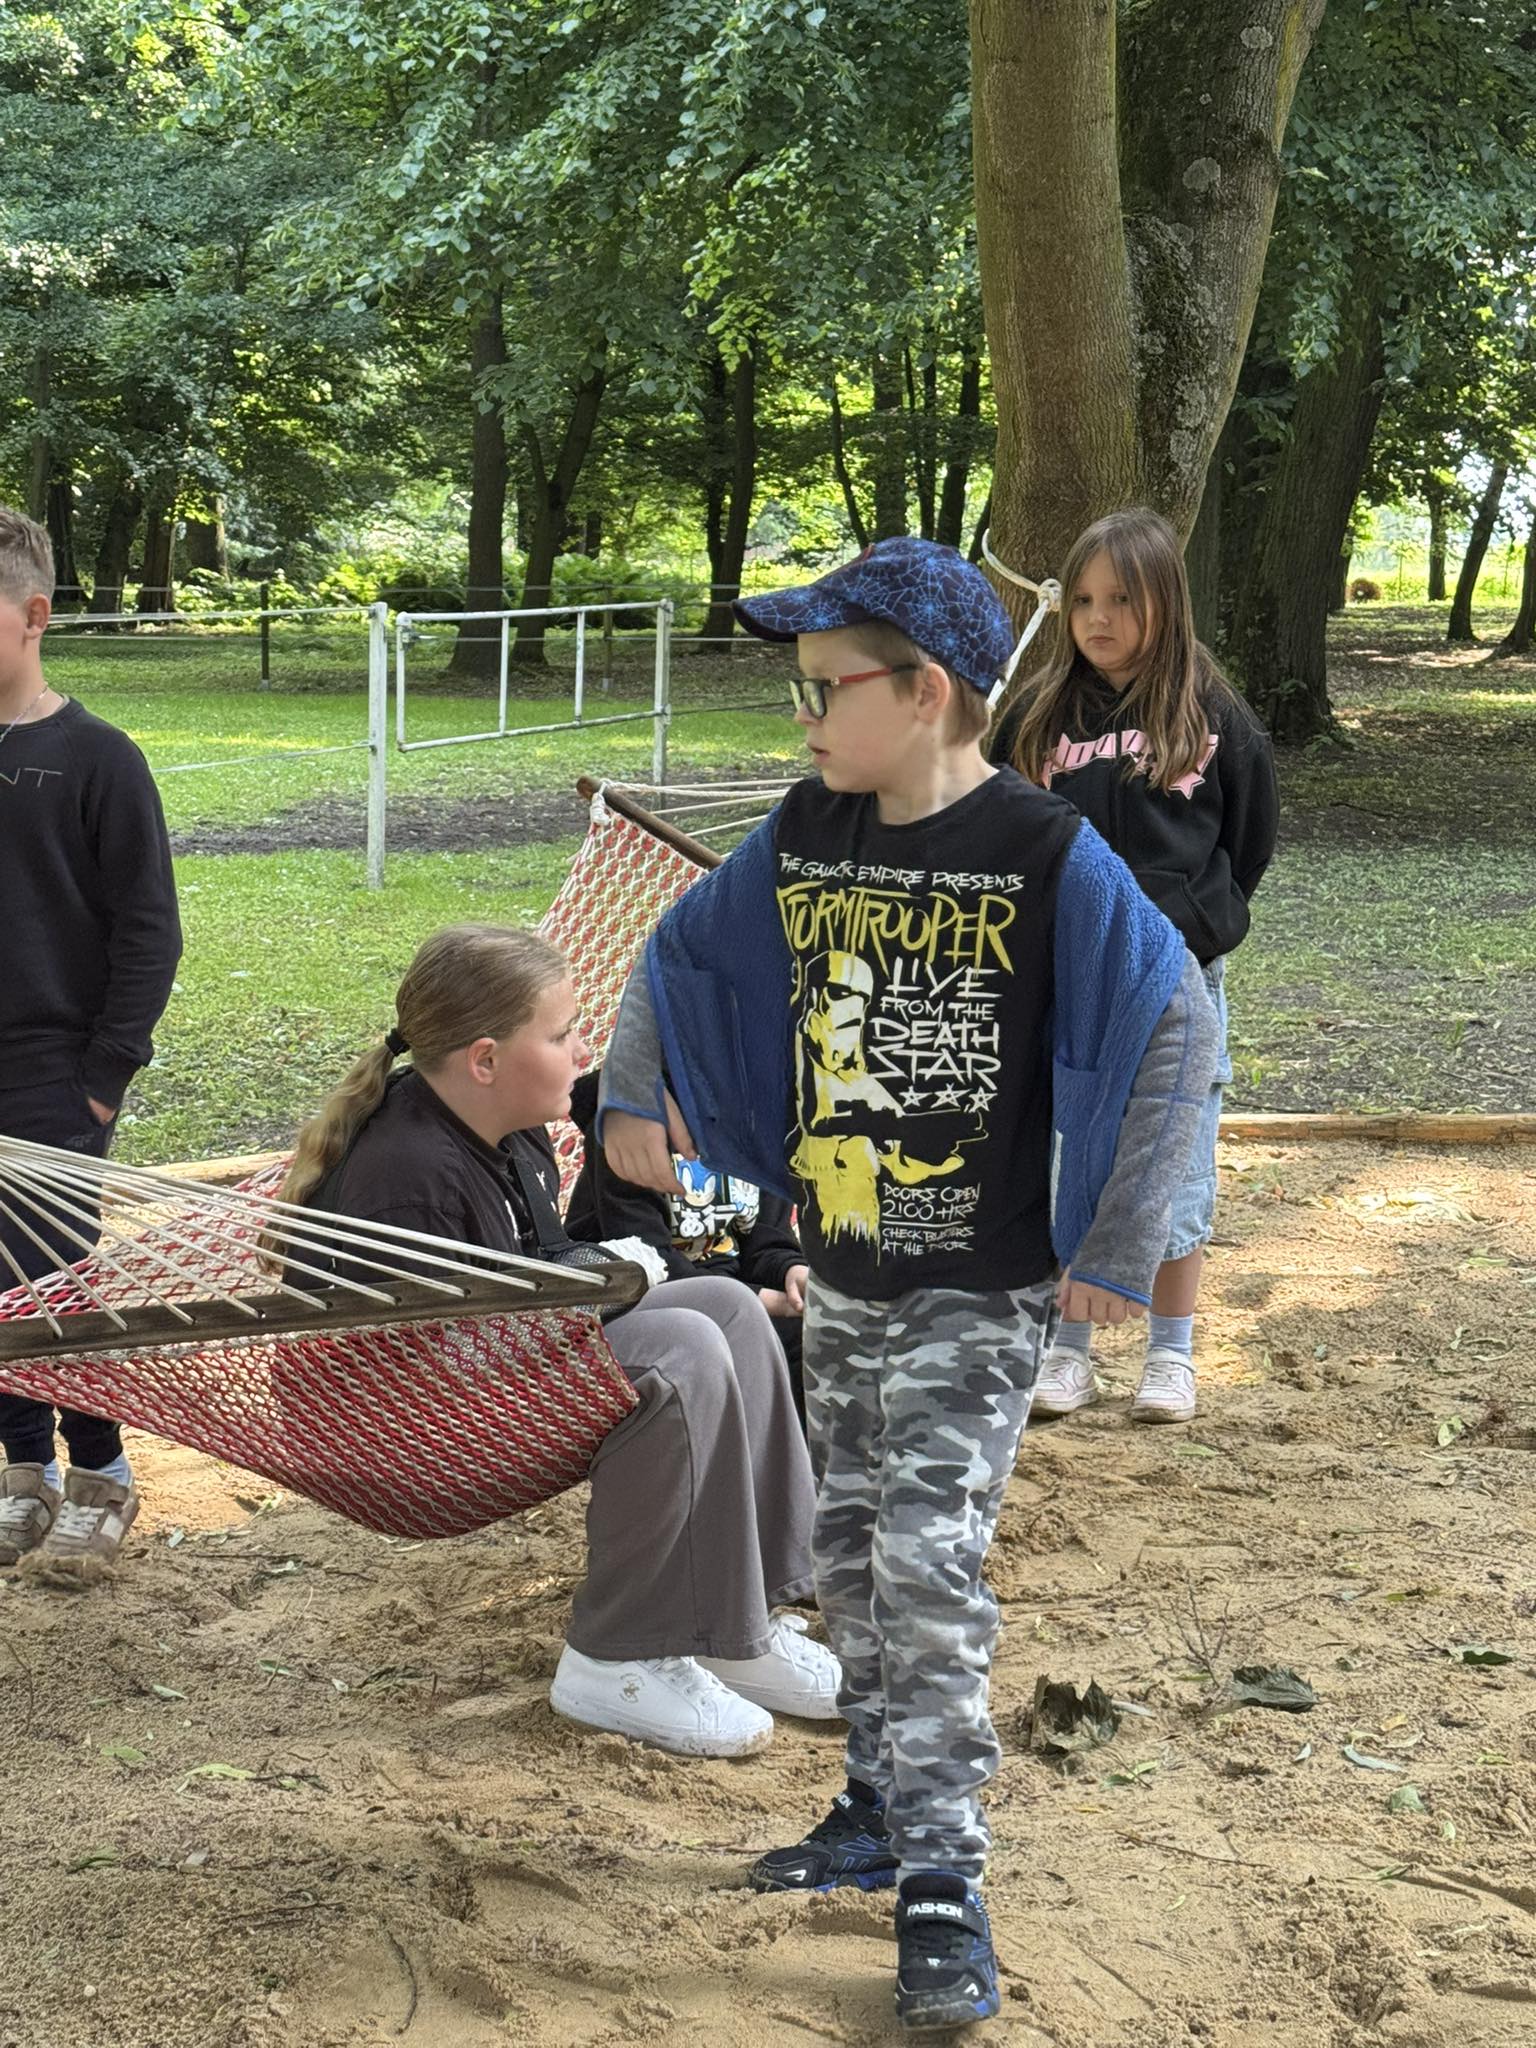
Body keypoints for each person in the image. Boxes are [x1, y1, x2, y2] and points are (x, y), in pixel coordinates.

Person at [597, 537, 1219, 2031]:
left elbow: (1177, 1025)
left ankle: (945, 1878)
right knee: (854, 1556)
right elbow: (679, 951)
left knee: (929, 1568)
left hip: (982, 1286)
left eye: (828, 688)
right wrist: (627, 1089)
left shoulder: (1043, 850)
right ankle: (877, 1802)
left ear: (926, 689)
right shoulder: (809, 828)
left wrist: (1114, 1244)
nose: (806, 718)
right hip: (847, 1269)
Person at [281, 922, 838, 1758]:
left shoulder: (511, 1131)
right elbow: (419, 1364)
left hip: (476, 1383)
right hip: (407, 1439)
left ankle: (743, 1622)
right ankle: (614, 1656)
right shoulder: (412, 1176)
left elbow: (528, 1276)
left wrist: (602, 1270)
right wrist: (597, 1295)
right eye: (563, 1034)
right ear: (485, 1060)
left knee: (727, 1306)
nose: (584, 1052)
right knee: (680, 1352)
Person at [990, 506, 1278, 1425]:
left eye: (1120, 599)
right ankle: (1068, 1353)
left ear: (1166, 602)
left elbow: (1247, 839)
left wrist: (1192, 920)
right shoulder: (1036, 716)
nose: (1098, 619)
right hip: (1066, 985)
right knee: (1069, 1159)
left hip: (1174, 984)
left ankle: (1172, 1355)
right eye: (1082, 601)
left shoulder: (1214, 717)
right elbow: (999, 829)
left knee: (1174, 1165)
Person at [0, 505, 182, 1580]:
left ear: (35, 615)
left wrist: (103, 1077)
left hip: (54, 1073)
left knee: (50, 1274)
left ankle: (102, 1468)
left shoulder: (99, 758)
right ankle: (25, 1469)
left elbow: (148, 929)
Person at [565, 1067, 809, 1421]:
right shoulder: (629, 1119)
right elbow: (645, 1261)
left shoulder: (766, 1119)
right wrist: (761, 1301)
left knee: (815, 1341)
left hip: (735, 1288)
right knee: (738, 1347)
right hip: (638, 1300)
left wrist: (791, 1270)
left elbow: (767, 1238)